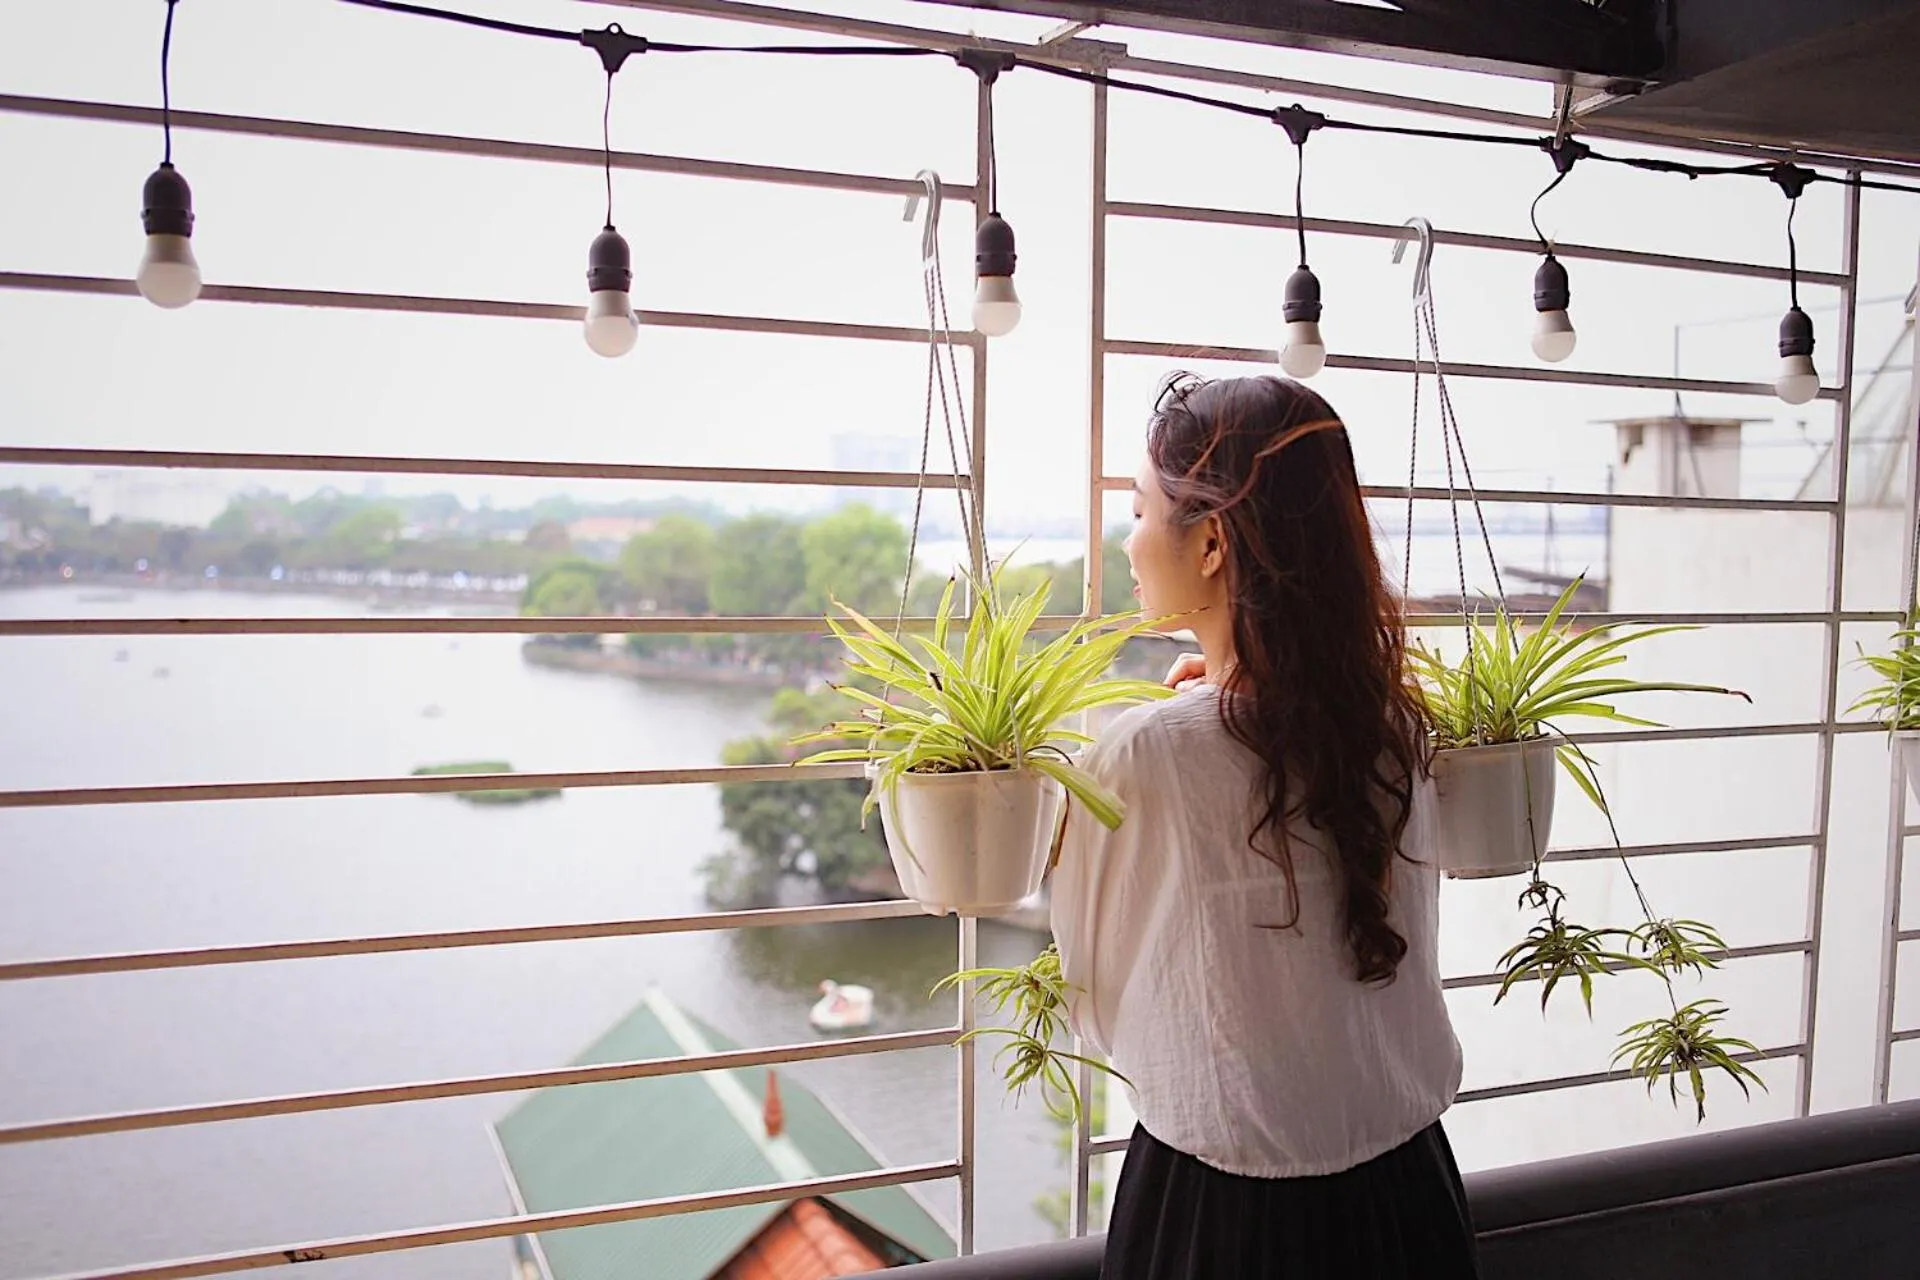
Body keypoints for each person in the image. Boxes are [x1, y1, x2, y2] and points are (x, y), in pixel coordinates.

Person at [1049, 373, 1476, 1278]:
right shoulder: (1394, 726)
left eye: (1137, 512)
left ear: (1209, 542)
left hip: (1221, 1220)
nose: (1127, 543)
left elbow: (1097, 988)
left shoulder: (1149, 755)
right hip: (1413, 1203)